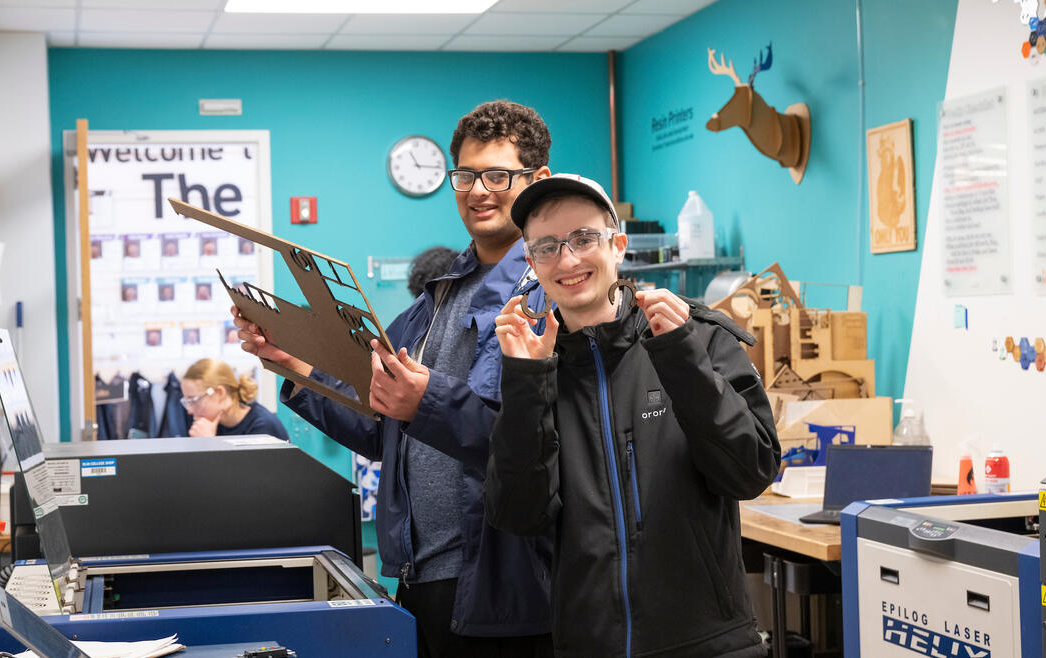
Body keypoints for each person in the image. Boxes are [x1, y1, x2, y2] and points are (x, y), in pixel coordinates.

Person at [233, 100, 556, 657]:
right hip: (419, 576)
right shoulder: (438, 296)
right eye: (465, 175)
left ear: (538, 180)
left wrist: (424, 401)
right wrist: (294, 364)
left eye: (498, 176)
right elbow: (379, 424)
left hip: (505, 590)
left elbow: (532, 441)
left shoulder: (550, 294)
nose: (478, 191)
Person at [485, 174, 780, 658]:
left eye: (584, 238)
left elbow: (751, 472)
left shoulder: (695, 336)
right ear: (531, 264)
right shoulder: (535, 367)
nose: (568, 260)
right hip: (590, 645)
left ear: (617, 246)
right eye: (547, 247)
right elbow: (519, 515)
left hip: (710, 644)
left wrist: (682, 359)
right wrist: (525, 384)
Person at [181, 358, 289, 441]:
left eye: (194, 400)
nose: (190, 410)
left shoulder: (262, 428)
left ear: (220, 393)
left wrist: (210, 443)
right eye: (187, 402)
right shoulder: (207, 424)